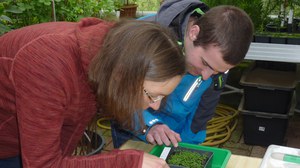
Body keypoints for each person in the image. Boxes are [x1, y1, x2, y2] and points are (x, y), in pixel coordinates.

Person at [0, 17, 186, 168]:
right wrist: (126, 161)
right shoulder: (48, 66)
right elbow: (42, 164)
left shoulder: (110, 53)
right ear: (121, 76)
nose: (156, 106)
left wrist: (148, 126)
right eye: (152, 95)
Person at [111, 0, 254, 148]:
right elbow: (116, 93)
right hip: (133, 129)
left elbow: (202, 114)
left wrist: (187, 146)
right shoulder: (142, 36)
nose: (206, 76)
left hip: (175, 135)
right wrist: (150, 125)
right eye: (205, 64)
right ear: (194, 33)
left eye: (219, 71)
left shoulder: (216, 59)